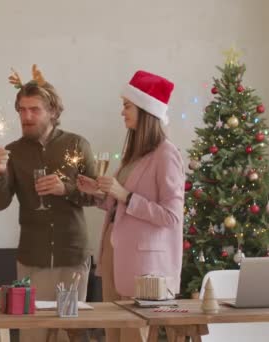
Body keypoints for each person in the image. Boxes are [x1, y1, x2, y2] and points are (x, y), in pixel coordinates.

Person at [0, 65, 96, 342]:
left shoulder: (77, 145)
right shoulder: (12, 152)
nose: (26, 116)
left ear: (52, 112)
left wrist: (66, 189)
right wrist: (0, 173)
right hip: (32, 259)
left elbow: (97, 195)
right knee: (33, 335)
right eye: (22, 110)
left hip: (71, 257)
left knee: (72, 333)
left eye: (34, 110)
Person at [78, 70, 185, 342]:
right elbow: (122, 204)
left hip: (144, 268)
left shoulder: (166, 154)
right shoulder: (135, 154)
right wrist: (100, 194)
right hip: (115, 257)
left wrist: (124, 195)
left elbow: (172, 217)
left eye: (127, 106)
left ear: (146, 110)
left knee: (133, 338)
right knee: (114, 336)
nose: (122, 112)